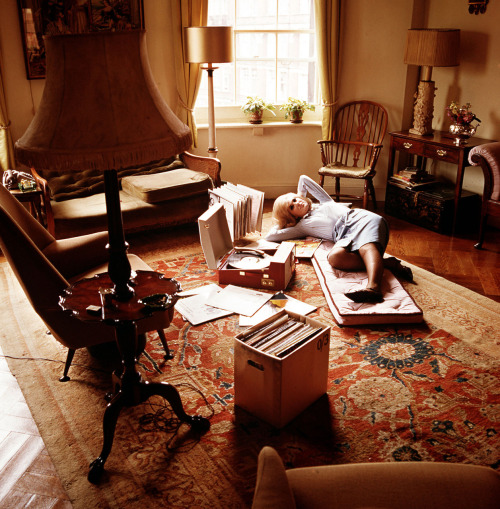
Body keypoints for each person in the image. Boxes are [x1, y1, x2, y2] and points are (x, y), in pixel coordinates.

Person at [265, 175, 413, 303]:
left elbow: (303, 179)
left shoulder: (324, 201)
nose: (297, 203)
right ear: (291, 216)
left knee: (365, 248)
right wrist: (284, 221)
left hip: (359, 219)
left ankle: (373, 288)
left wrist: (300, 196)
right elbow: (271, 236)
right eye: (291, 207)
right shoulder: (302, 226)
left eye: (295, 199)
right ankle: (387, 263)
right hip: (343, 236)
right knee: (335, 258)